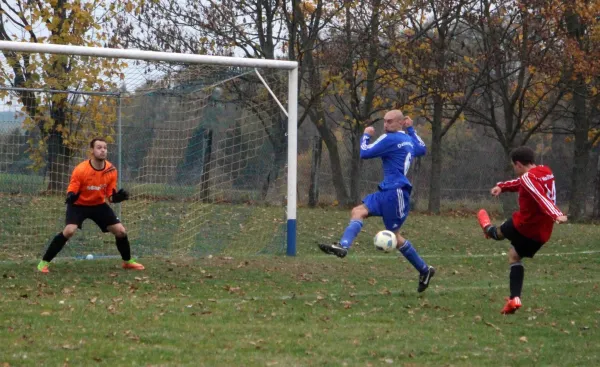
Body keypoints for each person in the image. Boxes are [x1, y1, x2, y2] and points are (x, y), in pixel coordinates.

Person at [318, 109, 435, 293]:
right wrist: (411, 129)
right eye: (385, 122)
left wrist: (365, 135)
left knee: (395, 237)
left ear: (400, 122)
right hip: (386, 190)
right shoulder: (408, 139)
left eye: (390, 122)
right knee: (358, 211)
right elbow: (422, 149)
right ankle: (343, 246)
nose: (385, 125)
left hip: (396, 193)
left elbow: (364, 153)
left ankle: (424, 270)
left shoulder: (389, 138)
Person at [477, 146, 567, 314]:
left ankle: (486, 227)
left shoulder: (528, 179)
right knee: (514, 256)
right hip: (542, 234)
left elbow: (541, 197)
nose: (513, 168)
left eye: (513, 165)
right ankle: (514, 299)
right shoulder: (545, 171)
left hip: (524, 225)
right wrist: (502, 187)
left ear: (518, 164)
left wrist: (556, 214)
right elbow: (523, 183)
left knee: (496, 234)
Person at [37, 138, 145, 273]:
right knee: (69, 231)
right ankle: (43, 263)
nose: (103, 150)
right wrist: (71, 196)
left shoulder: (111, 170)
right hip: (78, 205)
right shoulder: (81, 169)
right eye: (99, 147)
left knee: (121, 231)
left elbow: (110, 196)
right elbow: (72, 189)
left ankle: (127, 262)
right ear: (92, 151)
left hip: (98, 205)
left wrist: (117, 198)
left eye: (105, 148)